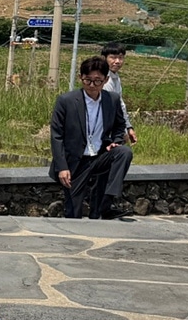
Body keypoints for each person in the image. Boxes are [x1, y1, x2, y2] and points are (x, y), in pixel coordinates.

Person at [49, 56, 134, 219]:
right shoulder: (66, 101)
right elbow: (56, 136)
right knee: (73, 212)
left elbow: (119, 125)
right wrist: (62, 167)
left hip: (100, 155)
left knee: (124, 152)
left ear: (106, 80)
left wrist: (116, 142)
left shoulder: (112, 99)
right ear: (80, 77)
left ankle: (108, 200)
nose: (92, 85)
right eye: (88, 80)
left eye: (98, 81)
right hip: (76, 161)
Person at [101, 42, 138, 145]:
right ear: (104, 58)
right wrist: (122, 131)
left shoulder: (115, 77)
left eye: (121, 58)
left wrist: (128, 127)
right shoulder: (104, 79)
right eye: (113, 58)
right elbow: (111, 108)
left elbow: (121, 104)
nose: (117, 61)